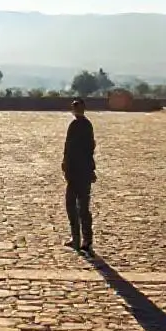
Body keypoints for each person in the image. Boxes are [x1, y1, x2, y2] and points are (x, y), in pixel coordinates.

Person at [61, 98, 96, 252]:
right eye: (74, 107)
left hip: (82, 172)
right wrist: (65, 163)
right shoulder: (74, 124)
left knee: (82, 208)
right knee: (71, 206)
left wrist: (90, 170)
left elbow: (89, 149)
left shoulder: (85, 125)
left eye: (78, 107)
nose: (76, 110)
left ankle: (86, 239)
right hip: (73, 172)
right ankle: (75, 237)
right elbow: (68, 147)